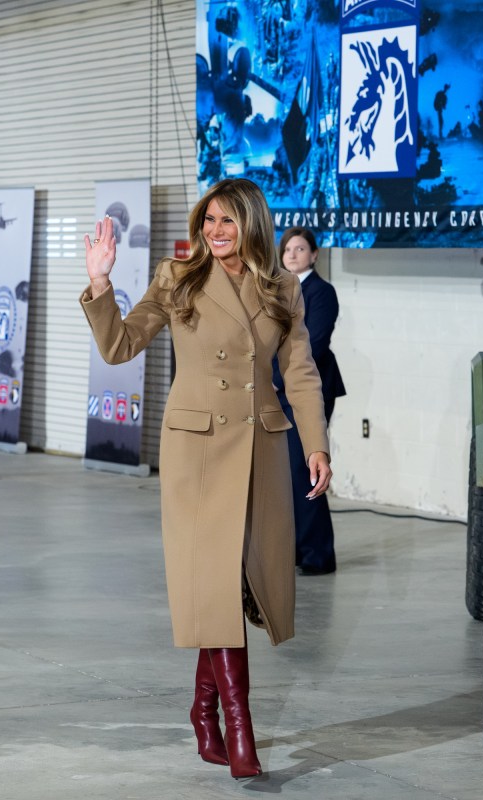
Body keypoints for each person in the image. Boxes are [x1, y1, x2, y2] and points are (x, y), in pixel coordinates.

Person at [80, 178, 332, 780]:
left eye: (226, 221)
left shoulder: (282, 288)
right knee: (212, 583)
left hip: (261, 448)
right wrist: (99, 282)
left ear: (251, 224)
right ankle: (239, 728)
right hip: (197, 451)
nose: (215, 232)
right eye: (208, 221)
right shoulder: (178, 278)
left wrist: (317, 446)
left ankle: (202, 707)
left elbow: (300, 374)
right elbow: (119, 345)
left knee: (237, 585)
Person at [275, 227, 346, 575]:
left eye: (300, 248)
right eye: (287, 248)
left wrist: (273, 378)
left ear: (314, 255)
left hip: (309, 389)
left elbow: (312, 345)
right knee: (287, 473)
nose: (292, 254)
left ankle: (318, 555)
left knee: (306, 470)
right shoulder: (276, 291)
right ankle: (296, 549)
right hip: (279, 390)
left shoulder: (321, 292)